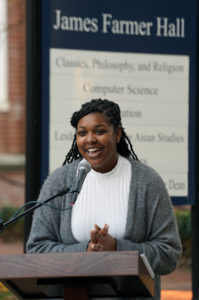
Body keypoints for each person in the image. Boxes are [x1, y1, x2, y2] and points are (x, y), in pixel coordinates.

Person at [26, 98, 182, 300]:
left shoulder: (146, 182)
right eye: (82, 133)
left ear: (117, 134)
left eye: (99, 131)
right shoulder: (59, 181)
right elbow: (36, 249)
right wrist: (86, 251)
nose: (90, 139)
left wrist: (117, 248)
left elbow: (168, 253)